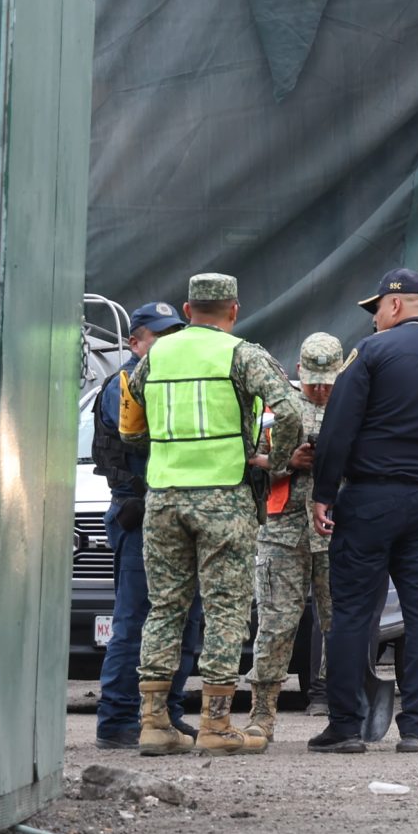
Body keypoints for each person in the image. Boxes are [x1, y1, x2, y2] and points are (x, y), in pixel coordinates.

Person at [119, 273, 301, 756]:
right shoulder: (242, 354)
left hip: (163, 497)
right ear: (234, 311)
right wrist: (274, 461)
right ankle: (216, 725)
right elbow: (289, 411)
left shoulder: (155, 355)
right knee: (226, 608)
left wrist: (158, 447)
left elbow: (132, 421)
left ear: (187, 307)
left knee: (164, 609)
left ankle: (154, 725)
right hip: (224, 496)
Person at [309, 268, 418, 754]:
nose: (374, 324)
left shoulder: (370, 354)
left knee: (352, 610)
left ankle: (345, 726)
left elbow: (338, 430)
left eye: (376, 314)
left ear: (392, 307)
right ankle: (415, 727)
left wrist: (324, 492)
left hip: (370, 498)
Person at [91, 302, 199, 751]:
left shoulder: (170, 379)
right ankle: (117, 719)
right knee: (134, 621)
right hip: (138, 514)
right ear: (134, 342)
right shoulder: (125, 383)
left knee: (187, 620)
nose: (167, 343)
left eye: (174, 334)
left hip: (175, 513)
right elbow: (150, 435)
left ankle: (166, 713)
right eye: (157, 335)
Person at [244, 332, 346, 749]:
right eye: (313, 380)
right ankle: (261, 716)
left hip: (335, 532)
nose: (320, 388)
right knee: (275, 626)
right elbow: (245, 458)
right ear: (299, 371)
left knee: (341, 624)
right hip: (281, 532)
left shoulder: (351, 407)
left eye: (328, 380)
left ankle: (342, 710)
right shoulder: (275, 407)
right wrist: (287, 463)